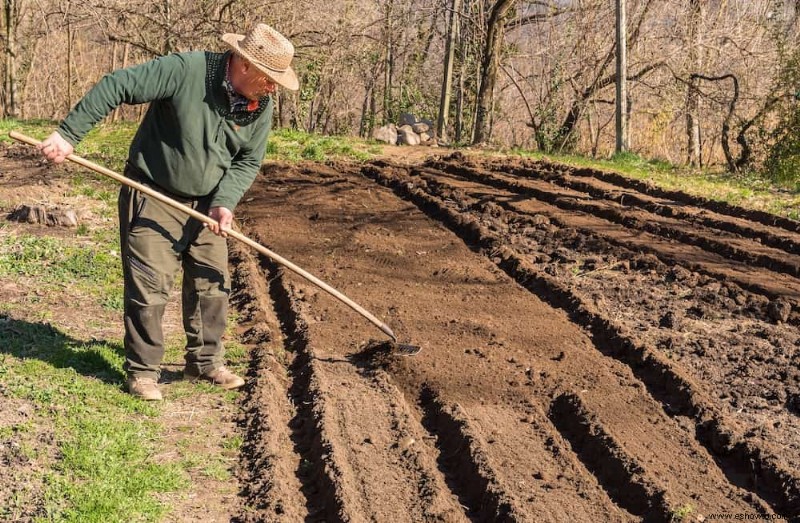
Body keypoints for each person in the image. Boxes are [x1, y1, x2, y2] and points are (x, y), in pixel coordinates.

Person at [38, 23, 299, 401]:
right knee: (150, 284)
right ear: (243, 63)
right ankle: (143, 371)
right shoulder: (186, 70)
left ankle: (205, 362)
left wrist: (224, 201)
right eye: (269, 78)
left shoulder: (261, 106)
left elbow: (247, 160)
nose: (273, 87)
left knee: (214, 283)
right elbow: (117, 85)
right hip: (153, 192)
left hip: (208, 204)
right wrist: (68, 135)